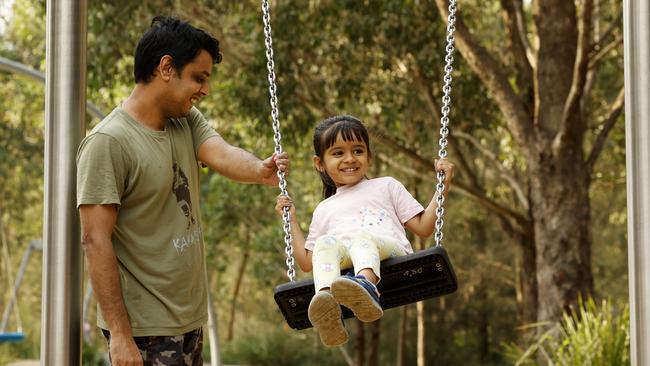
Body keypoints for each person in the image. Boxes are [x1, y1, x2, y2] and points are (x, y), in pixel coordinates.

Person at [77, 16, 289, 365]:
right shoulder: (108, 143)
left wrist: (259, 169)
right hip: (145, 330)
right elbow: (94, 241)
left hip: (188, 319)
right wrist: (120, 334)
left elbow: (220, 152)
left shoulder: (184, 120)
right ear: (166, 68)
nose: (205, 89)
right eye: (199, 78)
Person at [275, 115, 454, 347]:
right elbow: (308, 262)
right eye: (338, 153)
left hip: (390, 253)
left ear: (369, 156)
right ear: (320, 163)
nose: (350, 159)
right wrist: (291, 221)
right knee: (324, 244)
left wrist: (444, 185)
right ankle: (328, 305)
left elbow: (423, 227)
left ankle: (366, 286)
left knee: (363, 239)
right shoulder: (323, 209)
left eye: (358, 151)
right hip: (348, 264)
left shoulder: (386, 186)